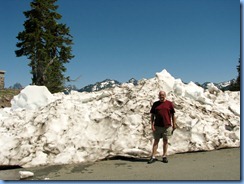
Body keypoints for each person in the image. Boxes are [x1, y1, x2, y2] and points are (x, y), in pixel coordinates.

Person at [148, 91, 176, 164]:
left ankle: (164, 156)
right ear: (158, 96)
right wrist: (152, 125)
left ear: (165, 95)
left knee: (165, 141)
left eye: (163, 95)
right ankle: (153, 156)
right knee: (156, 141)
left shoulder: (169, 104)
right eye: (160, 95)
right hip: (157, 126)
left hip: (167, 126)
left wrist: (174, 124)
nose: (161, 96)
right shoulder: (155, 104)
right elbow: (152, 115)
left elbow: (173, 115)